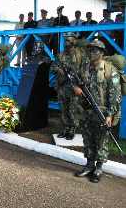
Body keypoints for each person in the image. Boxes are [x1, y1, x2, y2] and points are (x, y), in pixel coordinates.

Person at [74, 40, 121, 183]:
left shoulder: (109, 70)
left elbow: (115, 95)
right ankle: (89, 165)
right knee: (88, 139)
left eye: (95, 51)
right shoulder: (85, 68)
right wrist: (76, 88)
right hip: (87, 111)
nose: (92, 53)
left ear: (101, 53)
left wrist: (110, 115)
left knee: (101, 141)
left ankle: (99, 168)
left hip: (103, 111)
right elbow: (76, 81)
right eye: (90, 50)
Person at [51, 32, 86, 140]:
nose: (66, 42)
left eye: (69, 40)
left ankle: (72, 130)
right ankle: (65, 128)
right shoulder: (61, 55)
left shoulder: (80, 55)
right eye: (65, 40)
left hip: (74, 87)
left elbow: (85, 71)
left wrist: (80, 86)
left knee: (73, 109)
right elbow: (53, 67)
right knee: (63, 109)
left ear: (74, 41)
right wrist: (59, 70)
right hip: (62, 87)